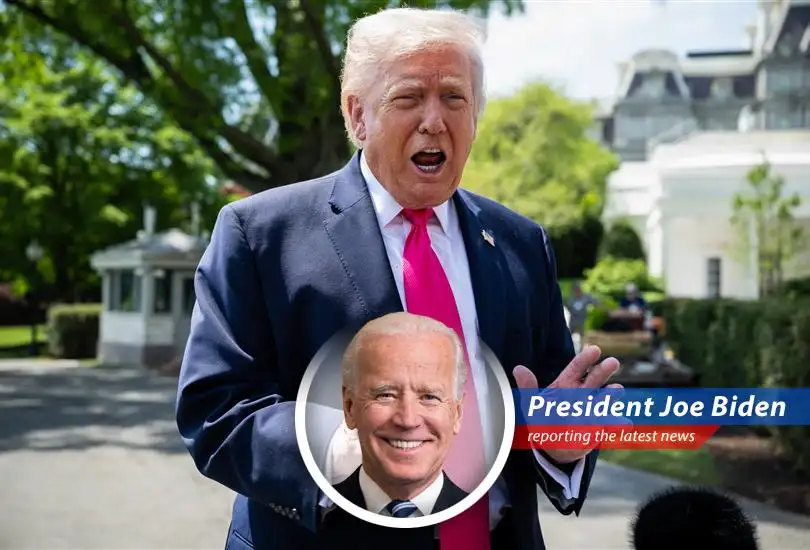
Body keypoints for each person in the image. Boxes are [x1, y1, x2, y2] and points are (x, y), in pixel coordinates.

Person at [175, 7, 622, 550]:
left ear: (475, 116)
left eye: (455, 98)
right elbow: (216, 411)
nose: (434, 120)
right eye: (409, 98)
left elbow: (549, 406)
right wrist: (341, 445)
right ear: (358, 114)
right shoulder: (260, 234)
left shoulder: (522, 244)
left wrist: (562, 444)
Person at [333, 312, 469, 517]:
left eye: (429, 397)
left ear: (457, 413)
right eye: (385, 395)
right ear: (349, 407)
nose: (407, 420)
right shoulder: (307, 521)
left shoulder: (493, 522)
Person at [565, 282, 600, 352]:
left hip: (582, 319)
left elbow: (594, 302)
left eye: (578, 290)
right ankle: (568, 349)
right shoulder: (571, 299)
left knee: (583, 335)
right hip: (573, 319)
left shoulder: (585, 298)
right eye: (575, 290)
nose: (577, 292)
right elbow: (568, 307)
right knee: (569, 335)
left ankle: (582, 350)